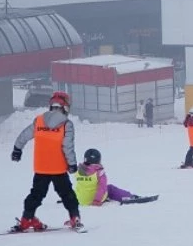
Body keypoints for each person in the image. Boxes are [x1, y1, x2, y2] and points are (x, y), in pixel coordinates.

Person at [10, 91, 82, 231]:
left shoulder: (39, 120)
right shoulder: (67, 124)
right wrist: (72, 164)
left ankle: (27, 218)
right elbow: (67, 146)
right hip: (58, 168)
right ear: (65, 107)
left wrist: (17, 149)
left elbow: (24, 135)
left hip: (41, 167)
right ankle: (75, 217)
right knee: (67, 193)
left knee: (36, 194)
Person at [75, 149, 140, 205]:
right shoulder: (99, 172)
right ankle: (129, 196)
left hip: (81, 200)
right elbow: (102, 187)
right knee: (110, 188)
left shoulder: (78, 171)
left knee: (87, 187)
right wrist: (96, 201)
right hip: (93, 200)